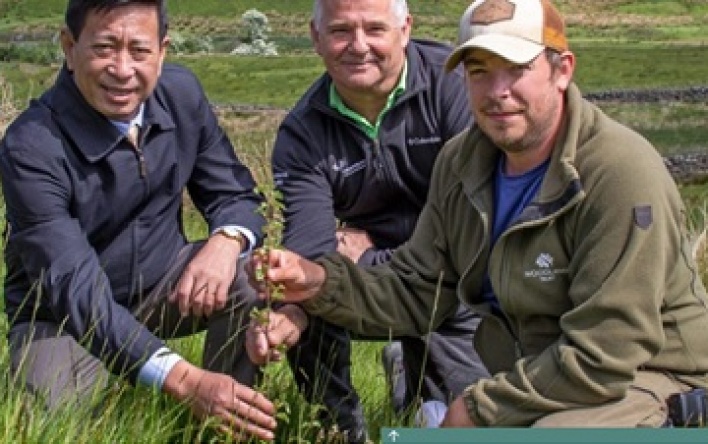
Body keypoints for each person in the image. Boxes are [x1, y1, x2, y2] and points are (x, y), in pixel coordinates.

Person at [249, 0, 708, 428]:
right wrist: (318, 282)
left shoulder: (618, 171)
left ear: (561, 70)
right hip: (542, 370)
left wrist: (476, 409)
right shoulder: (463, 161)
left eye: (517, 69)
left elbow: (605, 353)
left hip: (651, 375)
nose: (497, 92)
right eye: (479, 71)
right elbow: (415, 290)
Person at [0, 0, 275, 440]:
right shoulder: (31, 146)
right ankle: (174, 389)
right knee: (53, 417)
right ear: (70, 48)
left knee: (250, 275)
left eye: (139, 50)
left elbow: (237, 194)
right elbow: (74, 286)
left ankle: (229, 422)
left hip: (159, 287)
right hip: (64, 317)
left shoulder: (181, 96)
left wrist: (225, 240)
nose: (122, 69)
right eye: (105, 47)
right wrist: (183, 379)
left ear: (162, 52)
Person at [245, 0, 488, 439]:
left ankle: (411, 381)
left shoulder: (455, 89)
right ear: (316, 37)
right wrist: (295, 303)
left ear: (405, 29)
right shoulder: (302, 134)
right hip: (377, 276)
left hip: (454, 275)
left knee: (464, 420)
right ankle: (340, 429)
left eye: (375, 29)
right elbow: (312, 252)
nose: (359, 46)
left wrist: (367, 258)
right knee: (303, 298)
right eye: (340, 31)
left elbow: (471, 230)